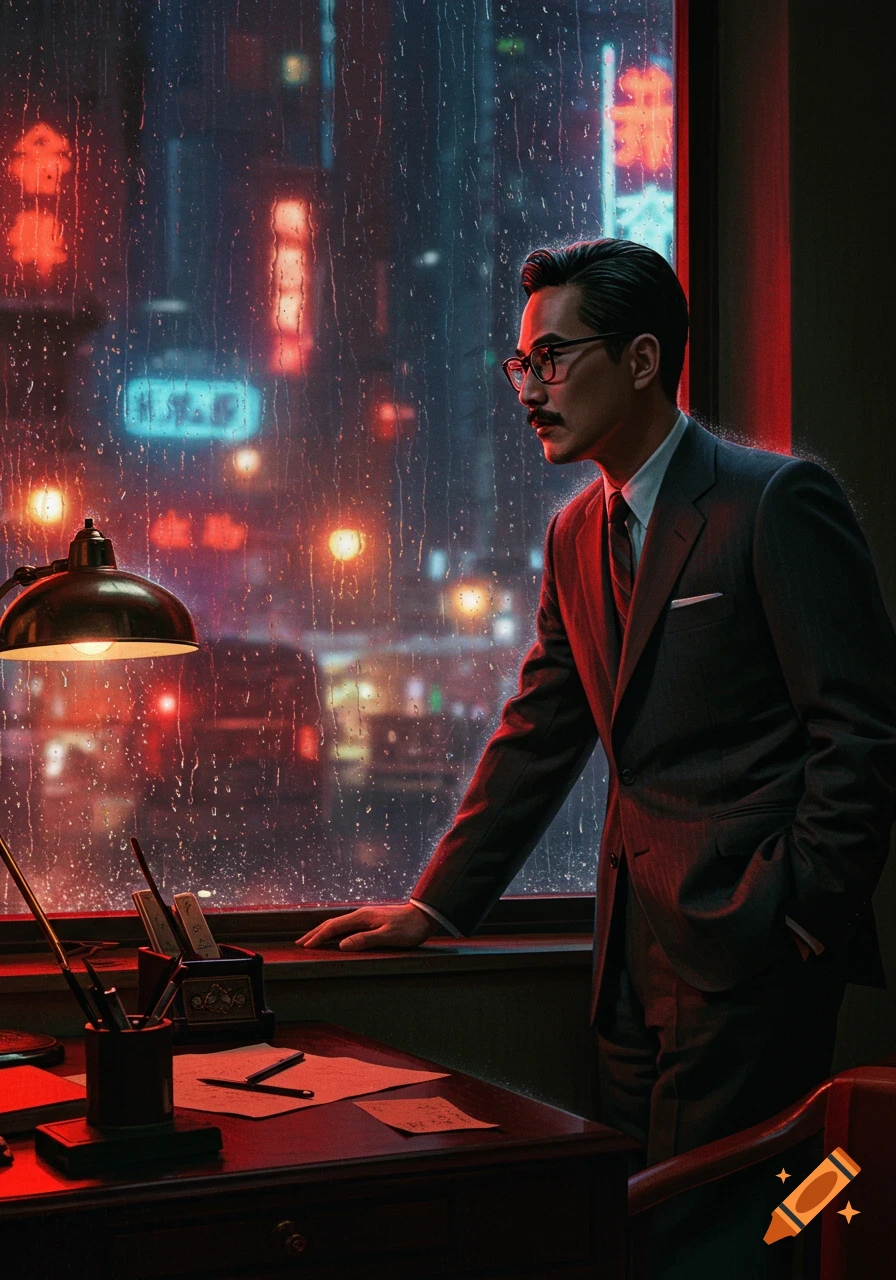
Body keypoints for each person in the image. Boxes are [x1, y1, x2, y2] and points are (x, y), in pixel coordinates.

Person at [298, 239, 896, 1276]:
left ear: (641, 360)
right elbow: (540, 726)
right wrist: (434, 904)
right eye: (517, 364)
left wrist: (797, 913)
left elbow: (862, 732)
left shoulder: (772, 502)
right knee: (635, 1216)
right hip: (624, 953)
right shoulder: (577, 529)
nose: (528, 388)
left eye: (553, 357)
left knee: (735, 1231)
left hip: (748, 940)